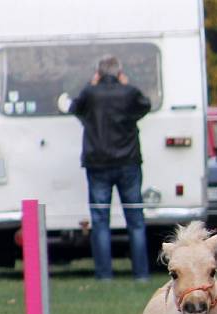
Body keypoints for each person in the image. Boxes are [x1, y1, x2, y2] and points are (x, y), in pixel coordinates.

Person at [62, 55, 152, 280]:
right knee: (136, 220)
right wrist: (125, 84)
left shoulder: (90, 94)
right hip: (128, 162)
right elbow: (146, 105)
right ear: (119, 72)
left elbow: (74, 107)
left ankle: (104, 274)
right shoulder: (129, 92)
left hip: (98, 163)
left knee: (100, 220)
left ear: (98, 73)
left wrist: (90, 85)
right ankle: (141, 273)